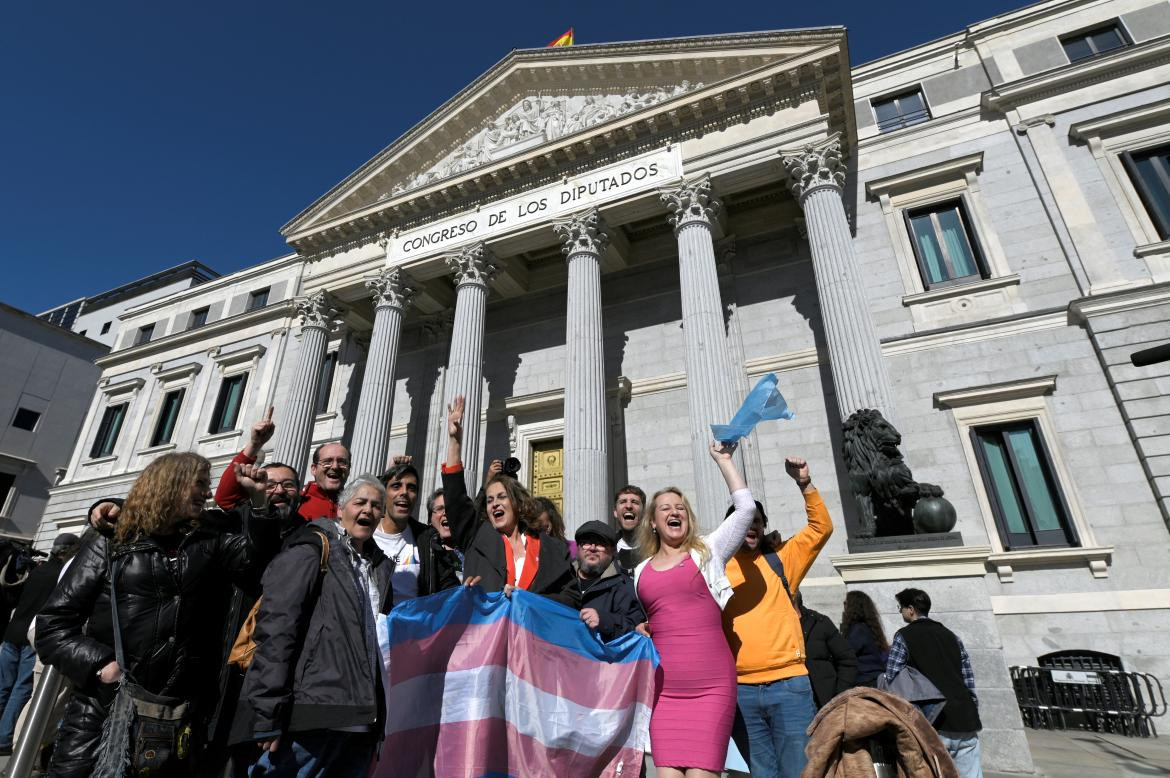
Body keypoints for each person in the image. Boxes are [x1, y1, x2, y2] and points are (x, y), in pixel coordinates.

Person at [36, 453, 278, 778]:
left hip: (176, 720)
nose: (207, 494)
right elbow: (53, 625)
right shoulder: (112, 543)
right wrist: (101, 666)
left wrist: (260, 503)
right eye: (201, 485)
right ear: (171, 484)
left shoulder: (210, 541)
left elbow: (258, 568)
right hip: (102, 716)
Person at [244, 475, 395, 777]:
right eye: (360, 502)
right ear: (340, 509)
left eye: (376, 506)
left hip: (359, 721)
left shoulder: (377, 566)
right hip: (310, 716)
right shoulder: (311, 548)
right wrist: (268, 712)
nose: (368, 510)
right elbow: (277, 629)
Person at [631, 442, 754, 778]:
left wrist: (723, 460)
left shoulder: (708, 551)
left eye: (681, 507)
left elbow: (745, 509)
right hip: (664, 693)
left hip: (711, 689)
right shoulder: (639, 572)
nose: (675, 512)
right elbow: (657, 619)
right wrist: (643, 629)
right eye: (666, 508)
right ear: (653, 522)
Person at [721, 457, 832, 778]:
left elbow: (821, 527)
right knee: (761, 774)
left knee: (799, 771)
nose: (752, 525)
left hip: (790, 686)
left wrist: (804, 483)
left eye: (758, 521)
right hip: (741, 690)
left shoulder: (781, 560)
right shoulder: (714, 567)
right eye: (745, 521)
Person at [441, 396, 573, 597]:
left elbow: (570, 596)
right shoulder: (477, 537)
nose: (494, 504)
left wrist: (530, 602)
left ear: (518, 503)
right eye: (490, 500)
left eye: (501, 497)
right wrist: (455, 442)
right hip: (489, 626)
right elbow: (455, 499)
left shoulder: (551, 547)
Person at [886, 588, 983, 778]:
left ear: (911, 609)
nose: (900, 612)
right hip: (965, 718)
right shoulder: (951, 635)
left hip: (933, 719)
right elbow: (968, 679)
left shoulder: (904, 636)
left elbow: (892, 676)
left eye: (901, 607)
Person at [0, 534, 79, 755]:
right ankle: (4, 738)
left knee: (3, 686)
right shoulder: (63, 576)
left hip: (11, 633)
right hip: (30, 637)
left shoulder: (37, 570)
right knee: (21, 689)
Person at [215, 408, 350, 521]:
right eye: (327, 462)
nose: (335, 467)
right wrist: (255, 445)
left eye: (342, 462)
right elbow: (225, 499)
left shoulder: (356, 509)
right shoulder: (292, 503)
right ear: (314, 469)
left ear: (349, 469)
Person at [375, 458, 459, 600]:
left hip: (415, 621)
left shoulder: (428, 539)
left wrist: (467, 590)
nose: (404, 493)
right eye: (396, 486)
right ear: (384, 494)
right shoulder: (364, 537)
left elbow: (449, 588)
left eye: (411, 488)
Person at [551, 520, 645, 642]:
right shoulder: (560, 578)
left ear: (612, 551)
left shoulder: (625, 587)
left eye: (600, 544)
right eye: (586, 543)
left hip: (601, 660)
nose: (592, 548)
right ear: (578, 548)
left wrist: (605, 621)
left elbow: (637, 631)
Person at [795, 592, 857, 709]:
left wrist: (839, 695)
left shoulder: (820, 622)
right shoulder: (771, 627)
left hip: (823, 702)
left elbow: (847, 659)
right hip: (790, 705)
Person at [841, 590, 890, 687]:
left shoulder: (858, 630)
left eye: (846, 603)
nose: (844, 606)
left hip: (865, 680)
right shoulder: (869, 628)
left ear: (853, 606)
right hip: (875, 678)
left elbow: (846, 654)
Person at [613, 485, 645, 573]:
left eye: (635, 502)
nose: (629, 506)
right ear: (615, 512)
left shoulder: (658, 547)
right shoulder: (606, 550)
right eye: (623, 501)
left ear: (643, 512)